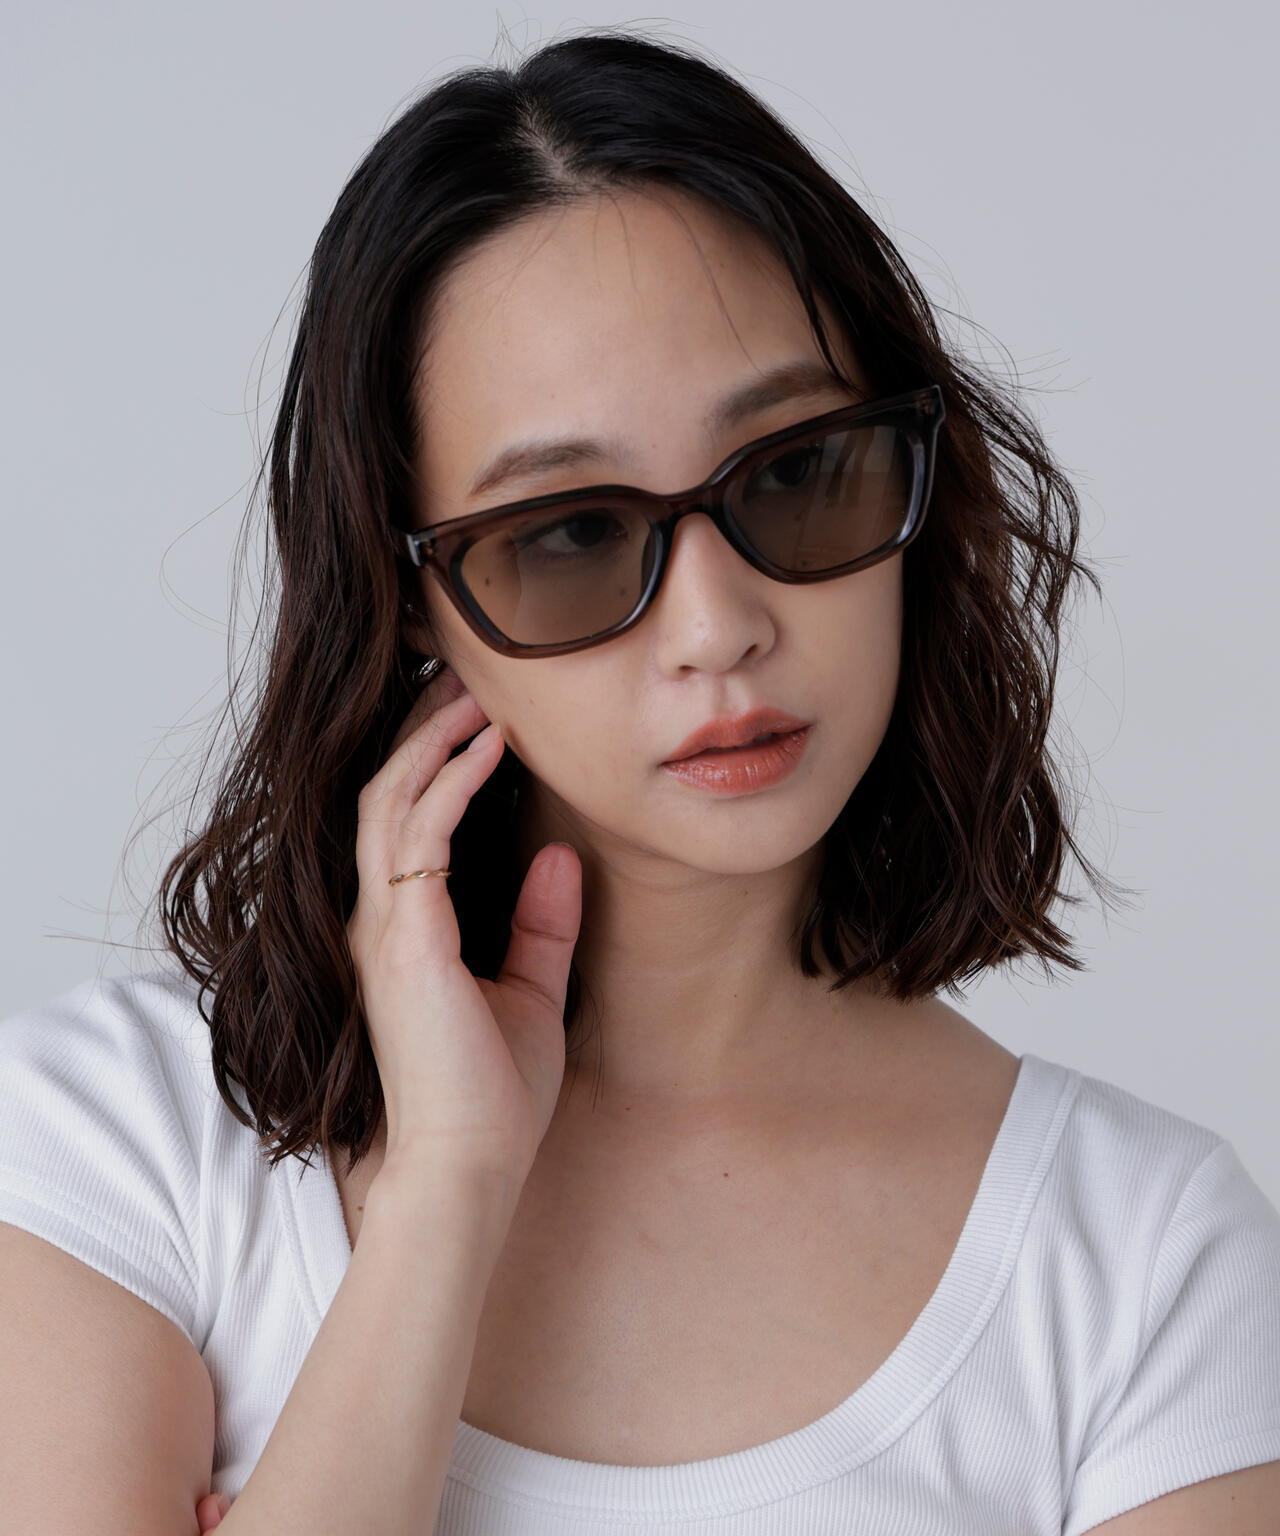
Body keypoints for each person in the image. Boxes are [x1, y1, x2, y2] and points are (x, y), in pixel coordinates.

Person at [3, 28, 1278, 1536]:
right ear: (411, 598)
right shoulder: (116, 1140)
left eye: (796, 471)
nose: (719, 626)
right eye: (570, 533)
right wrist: (445, 1200)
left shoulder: (1142, 1258)